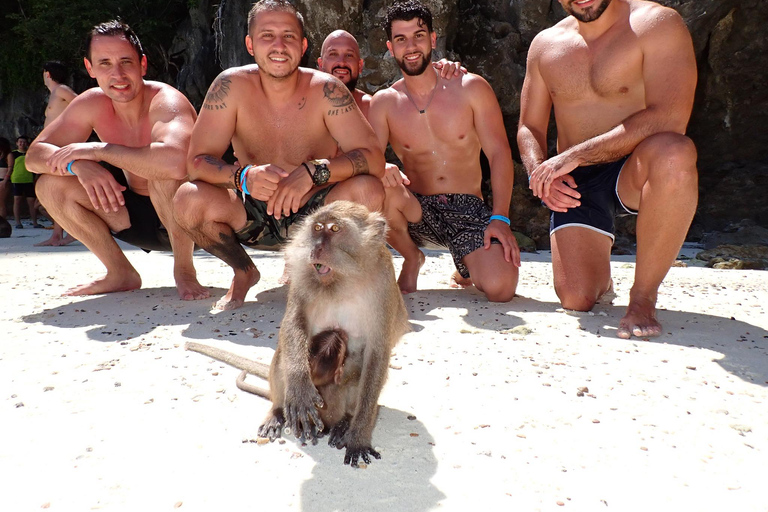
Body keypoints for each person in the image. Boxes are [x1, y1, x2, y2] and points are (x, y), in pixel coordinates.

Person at [173, 0, 385, 310]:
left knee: (369, 191)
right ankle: (244, 270)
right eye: (267, 35)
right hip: (251, 210)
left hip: (317, 213)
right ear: (250, 43)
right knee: (187, 199)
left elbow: (374, 159)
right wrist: (243, 177)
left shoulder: (328, 90)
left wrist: (316, 171)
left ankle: (329, 275)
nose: (278, 45)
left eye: (288, 36)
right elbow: (196, 163)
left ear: (302, 45)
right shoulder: (230, 87)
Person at [517, 0, 698, 339]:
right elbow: (529, 127)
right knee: (576, 297)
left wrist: (577, 154)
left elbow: (671, 116)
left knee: (676, 153)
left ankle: (642, 297)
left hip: (638, 163)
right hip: (576, 180)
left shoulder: (655, 23)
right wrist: (539, 173)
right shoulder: (545, 45)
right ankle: (600, 276)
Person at [26, 20, 209, 301]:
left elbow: (176, 163)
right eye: (105, 64)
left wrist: (98, 152)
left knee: (161, 168)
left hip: (188, 220)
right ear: (90, 68)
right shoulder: (91, 103)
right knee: (49, 185)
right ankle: (120, 272)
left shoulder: (165, 101)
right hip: (131, 215)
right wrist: (78, 165)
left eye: (126, 62)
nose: (118, 74)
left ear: (143, 65)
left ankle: (184, 271)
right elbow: (34, 156)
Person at [367, 0, 520, 301]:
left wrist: (500, 218)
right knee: (379, 186)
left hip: (468, 209)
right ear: (390, 46)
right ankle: (412, 258)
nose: (411, 46)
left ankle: (465, 266)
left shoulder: (471, 88)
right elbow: (365, 156)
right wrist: (381, 167)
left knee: (501, 288)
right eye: (401, 39)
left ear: (433, 39)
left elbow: (500, 154)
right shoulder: (384, 103)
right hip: (415, 210)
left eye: (419, 36)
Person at [317, 29, 463, 118]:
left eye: (349, 55)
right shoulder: (302, 104)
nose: (342, 62)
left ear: (360, 66)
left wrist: (443, 73)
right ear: (320, 64)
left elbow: (420, 114)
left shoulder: (373, 108)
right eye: (333, 54)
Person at [36, 61, 78, 246]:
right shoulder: (54, 94)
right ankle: (57, 234)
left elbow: (83, 103)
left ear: (47, 74)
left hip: (62, 148)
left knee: (62, 191)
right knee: (53, 191)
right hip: (52, 149)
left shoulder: (62, 90)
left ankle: (73, 232)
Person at [9, 136, 43, 229]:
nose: (22, 144)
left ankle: (35, 222)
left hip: (28, 180)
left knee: (31, 202)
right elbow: (10, 167)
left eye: (24, 142)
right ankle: (18, 222)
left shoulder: (30, 154)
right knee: (17, 201)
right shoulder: (13, 154)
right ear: (16, 143)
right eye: (20, 142)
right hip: (17, 180)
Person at [0, 137, 10, 220]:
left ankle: (2, 221)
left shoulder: (9, 155)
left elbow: (10, 168)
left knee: (1, 202)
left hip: (3, 179)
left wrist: (5, 180)